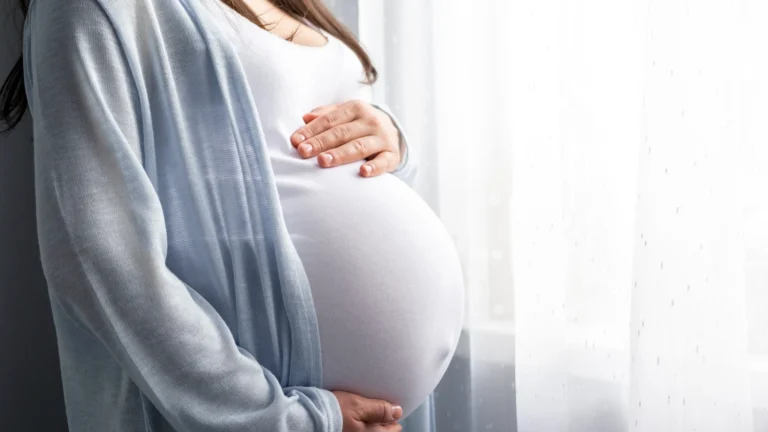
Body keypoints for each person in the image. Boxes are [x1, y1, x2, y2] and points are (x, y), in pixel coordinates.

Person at [0, 1, 465, 431]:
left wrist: (389, 137)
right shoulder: (91, 7)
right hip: (261, 406)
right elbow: (97, 257)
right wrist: (284, 420)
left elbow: (310, 142)